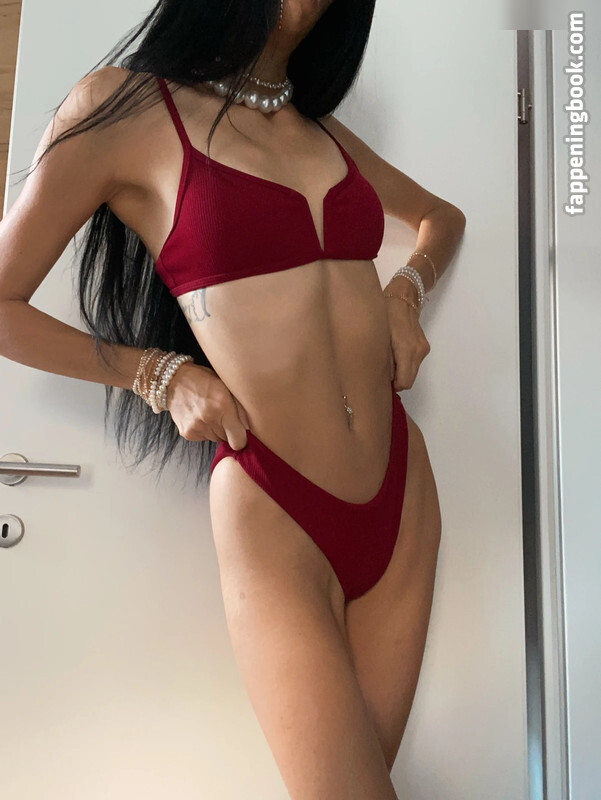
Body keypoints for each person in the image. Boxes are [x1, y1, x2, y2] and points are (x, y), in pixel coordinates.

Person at [0, 1, 465, 797]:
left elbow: (439, 218)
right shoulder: (126, 108)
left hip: (401, 489)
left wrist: (403, 294)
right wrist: (157, 374)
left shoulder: (323, 134)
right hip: (275, 503)